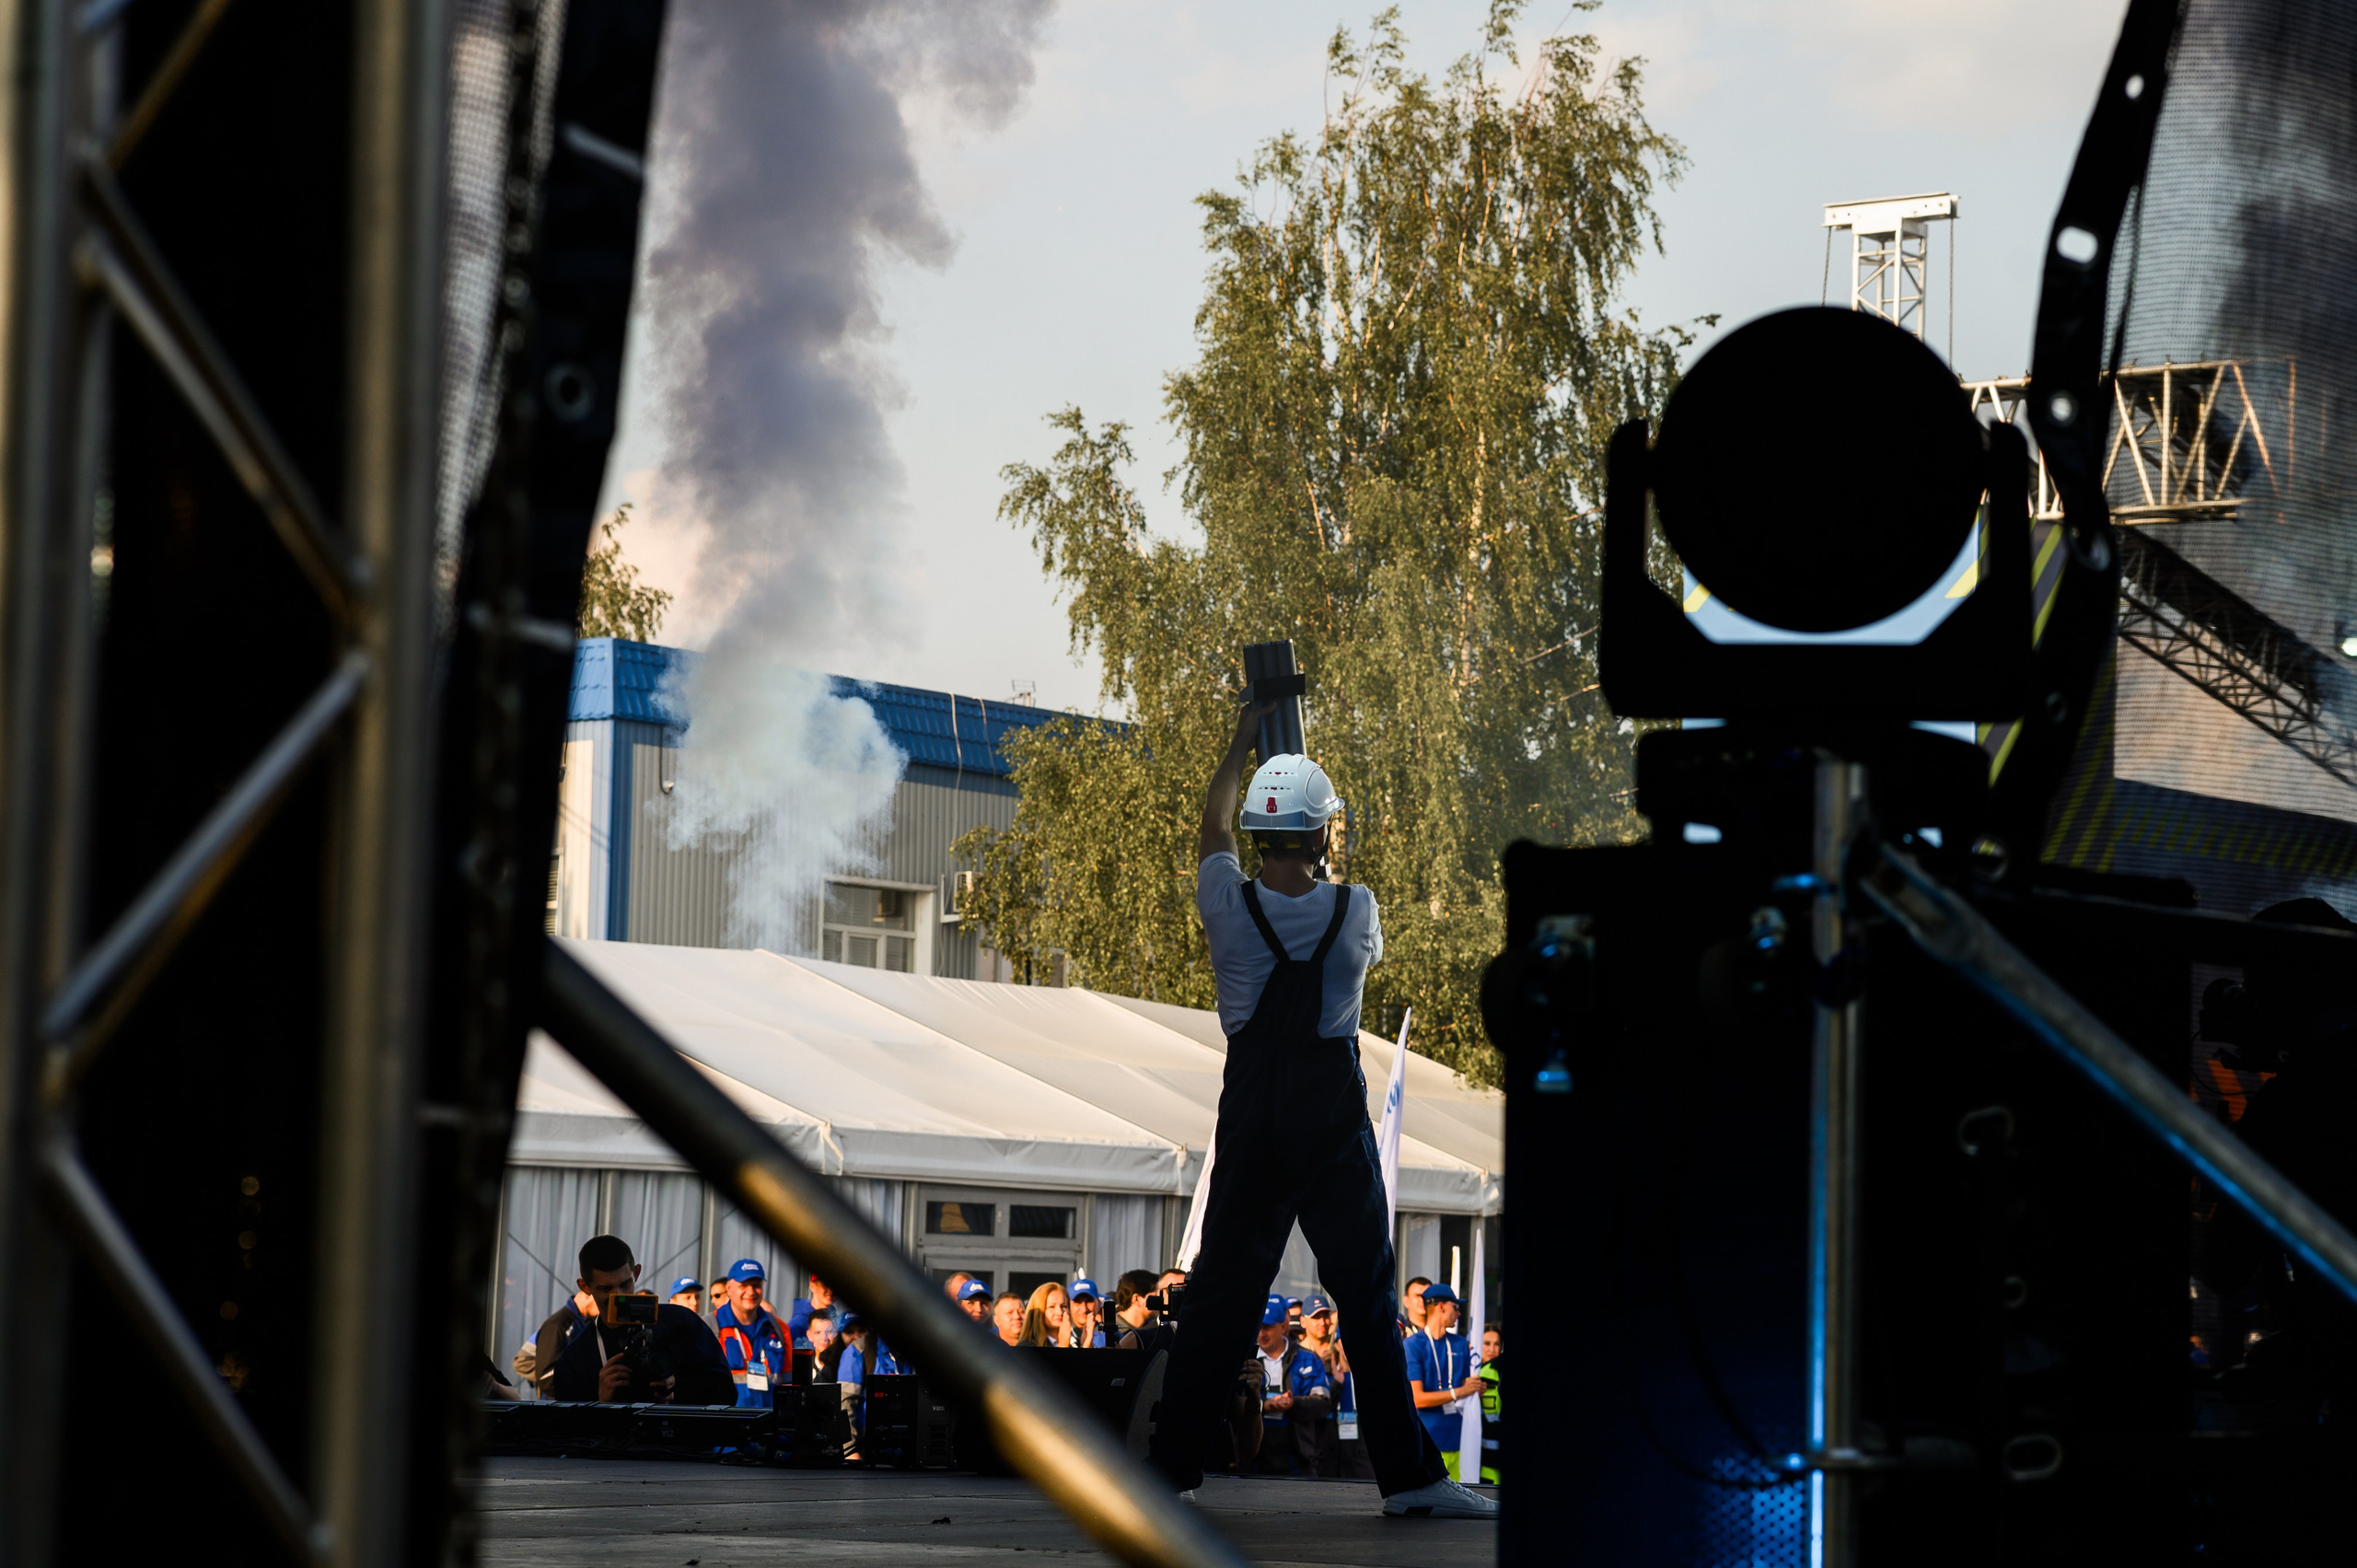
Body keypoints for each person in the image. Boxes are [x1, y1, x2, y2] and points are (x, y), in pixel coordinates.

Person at [1148, 699, 1491, 1518]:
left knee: (1221, 1299)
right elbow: (1320, 886)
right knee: (1368, 1300)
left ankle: (1166, 1474)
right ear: (1324, 832)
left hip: (1255, 1116)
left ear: (1260, 835)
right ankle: (1409, 1481)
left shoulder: (1225, 906)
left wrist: (1241, 740)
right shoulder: (1356, 912)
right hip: (1331, 1121)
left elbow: (1211, 824)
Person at [547, 1236, 735, 1405]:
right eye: (606, 1289)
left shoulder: (682, 1324)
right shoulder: (576, 1358)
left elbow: (726, 1394)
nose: (618, 1296)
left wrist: (675, 1390)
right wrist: (601, 1402)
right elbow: (570, 1433)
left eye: (625, 1284)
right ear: (585, 1286)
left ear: (636, 1273)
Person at [1401, 1282, 1481, 1481]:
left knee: (1459, 1505)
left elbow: (1467, 1388)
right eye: (1455, 1307)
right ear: (1440, 1307)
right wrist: (1460, 1392)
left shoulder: (1461, 1344)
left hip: (1459, 1439)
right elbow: (1417, 1399)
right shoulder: (1412, 1345)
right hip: (1428, 1441)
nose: (1459, 1313)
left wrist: (1475, 1390)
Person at [1252, 1295, 1334, 1476]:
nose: (1262, 1333)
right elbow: (1233, 1404)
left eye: (1268, 1327)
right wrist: (1263, 1406)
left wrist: (1293, 1404)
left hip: (1298, 1457)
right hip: (1254, 1457)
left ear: (1283, 1326)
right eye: (1259, 1326)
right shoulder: (1248, 1361)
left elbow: (1323, 1403)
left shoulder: (1308, 1358)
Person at [713, 1258, 793, 1408]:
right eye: (743, 1286)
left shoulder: (779, 1328)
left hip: (769, 1422)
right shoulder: (710, 1327)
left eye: (756, 1286)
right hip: (728, 1423)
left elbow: (789, 1383)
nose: (750, 1292)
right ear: (729, 1288)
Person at [1478, 1322, 1501, 1485]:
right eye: (1486, 1343)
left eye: (1497, 1344)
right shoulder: (1468, 1374)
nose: (1492, 1349)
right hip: (1475, 1455)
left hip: (1496, 1456)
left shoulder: (1500, 1373)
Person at [1111, 1270, 1161, 1346]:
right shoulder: (1108, 1332)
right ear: (1137, 1299)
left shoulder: (1155, 1330)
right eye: (1155, 1296)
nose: (1160, 1301)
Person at [788, 1273, 838, 1350]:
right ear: (812, 1286)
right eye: (825, 1285)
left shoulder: (837, 1319)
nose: (830, 1290)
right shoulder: (798, 1325)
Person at [1021, 1282, 1074, 1348]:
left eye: (1064, 1306)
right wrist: (1063, 1346)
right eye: (1051, 1306)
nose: (1060, 1312)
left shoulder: (1075, 1343)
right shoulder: (1026, 1346)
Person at [1070, 1278, 1109, 1347]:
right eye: (1078, 1302)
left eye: (1089, 1301)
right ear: (1068, 1305)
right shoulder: (1059, 1335)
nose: (1084, 1309)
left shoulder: (1108, 1336)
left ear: (1098, 1303)